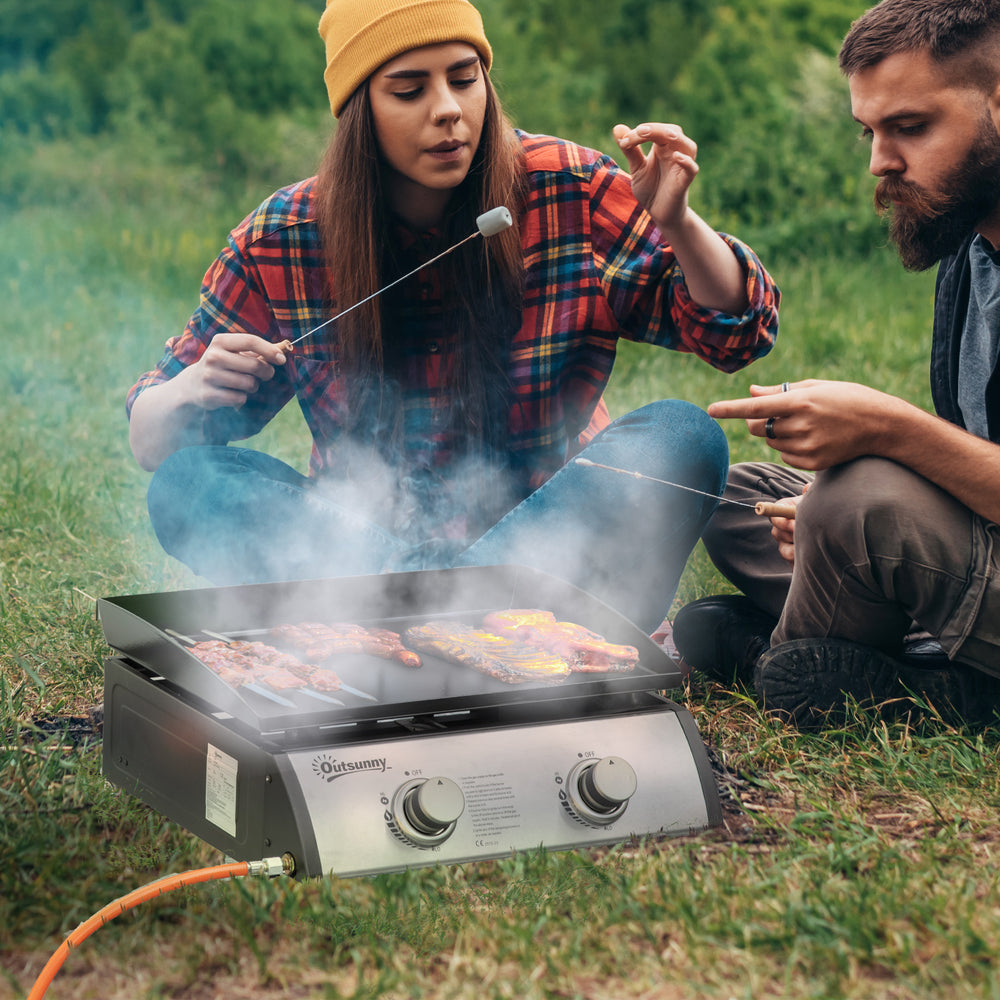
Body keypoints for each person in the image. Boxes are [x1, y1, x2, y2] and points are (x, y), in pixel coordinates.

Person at [126, 0, 779, 635]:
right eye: (409, 90)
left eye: (465, 79)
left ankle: (419, 620)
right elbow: (153, 442)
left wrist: (680, 225)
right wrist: (188, 389)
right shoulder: (284, 236)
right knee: (188, 483)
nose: (448, 110)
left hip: (550, 551)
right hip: (360, 554)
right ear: (360, 112)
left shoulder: (569, 187)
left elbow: (739, 331)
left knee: (684, 436)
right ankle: (458, 618)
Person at [672, 0, 1000, 726]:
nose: (881, 161)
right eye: (871, 132)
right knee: (742, 493)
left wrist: (888, 429)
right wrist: (818, 514)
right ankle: (905, 649)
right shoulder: (973, 252)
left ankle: (817, 674)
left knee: (861, 500)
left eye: (910, 128)